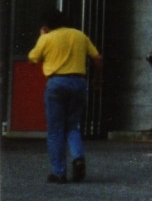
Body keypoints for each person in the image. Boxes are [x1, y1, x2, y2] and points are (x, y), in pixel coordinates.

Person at [27, 9, 102, 183]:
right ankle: (77, 157)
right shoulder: (79, 35)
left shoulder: (47, 38)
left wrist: (41, 36)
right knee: (72, 126)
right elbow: (97, 58)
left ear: (46, 25)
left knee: (55, 130)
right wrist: (98, 79)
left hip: (57, 83)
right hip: (78, 82)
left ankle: (59, 172)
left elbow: (33, 58)